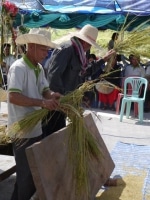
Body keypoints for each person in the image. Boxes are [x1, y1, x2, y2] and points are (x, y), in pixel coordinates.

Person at [7, 28, 62, 200]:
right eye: (44, 49)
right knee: (25, 177)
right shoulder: (19, 68)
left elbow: (44, 90)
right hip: (22, 131)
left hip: (36, 129)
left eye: (47, 49)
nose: (47, 53)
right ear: (31, 46)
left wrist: (52, 96)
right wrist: (42, 103)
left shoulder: (38, 68)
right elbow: (13, 96)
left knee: (31, 175)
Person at [42, 24, 115, 136]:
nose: (90, 47)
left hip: (65, 102)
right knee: (50, 133)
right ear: (85, 42)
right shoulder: (67, 50)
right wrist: (59, 98)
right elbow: (53, 75)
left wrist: (103, 59)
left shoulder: (80, 53)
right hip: (56, 103)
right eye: (90, 44)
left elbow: (86, 71)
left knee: (58, 134)